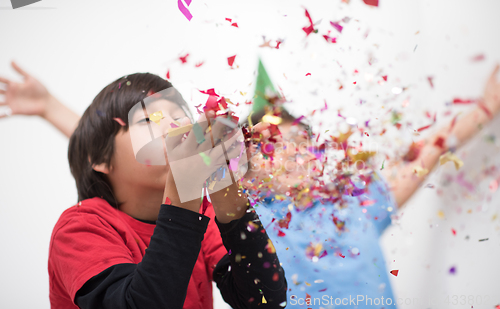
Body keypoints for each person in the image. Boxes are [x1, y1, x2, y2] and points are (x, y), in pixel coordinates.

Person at [2, 62, 500, 308]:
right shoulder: (90, 224)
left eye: (300, 140)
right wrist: (52, 109)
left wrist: (481, 110)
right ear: (251, 165)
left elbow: (263, 297)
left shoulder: (351, 203)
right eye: (271, 144)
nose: (177, 131)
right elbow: (116, 160)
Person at [1, 64, 287, 309]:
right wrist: (183, 184)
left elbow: (265, 300)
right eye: (150, 119)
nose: (176, 128)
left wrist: (225, 185)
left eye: (180, 116)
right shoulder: (79, 228)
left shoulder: (203, 213)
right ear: (100, 158)